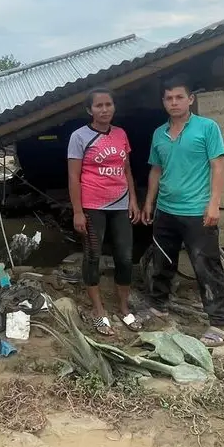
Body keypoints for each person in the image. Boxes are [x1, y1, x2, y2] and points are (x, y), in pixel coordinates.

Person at [138, 74, 224, 347]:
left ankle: (218, 322)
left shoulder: (207, 128)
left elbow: (218, 166)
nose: (174, 102)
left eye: (180, 97)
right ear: (163, 102)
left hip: (197, 210)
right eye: (169, 98)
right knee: (162, 262)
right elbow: (156, 169)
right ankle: (159, 307)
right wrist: (149, 202)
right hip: (166, 210)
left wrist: (214, 203)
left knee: (206, 265)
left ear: (190, 99)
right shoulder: (159, 133)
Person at [67, 88, 141, 336]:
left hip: (120, 205)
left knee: (124, 256)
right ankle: (98, 310)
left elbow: (127, 169)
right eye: (98, 106)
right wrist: (78, 211)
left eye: (108, 104)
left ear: (114, 107)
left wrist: (133, 200)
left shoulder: (120, 134)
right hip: (93, 206)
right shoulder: (79, 137)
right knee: (92, 256)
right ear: (90, 110)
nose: (104, 109)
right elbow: (73, 176)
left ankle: (123, 307)